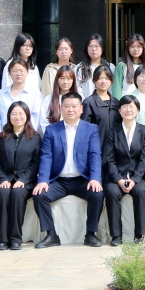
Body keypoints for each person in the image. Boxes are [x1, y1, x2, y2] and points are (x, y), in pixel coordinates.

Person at [32, 91, 104, 248]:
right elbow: (46, 157)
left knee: (97, 194)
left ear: (81, 109)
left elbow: (95, 155)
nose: (70, 109)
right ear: (61, 108)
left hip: (82, 180)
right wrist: (43, 180)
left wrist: (95, 178)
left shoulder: (91, 129)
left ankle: (90, 234)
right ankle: (51, 235)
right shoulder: (52, 130)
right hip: (59, 180)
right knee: (39, 195)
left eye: (74, 106)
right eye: (67, 106)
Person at [0, 101, 41, 251]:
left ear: (27, 116)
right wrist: (2, 179)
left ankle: (15, 238)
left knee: (18, 193)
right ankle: (3, 238)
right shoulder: (0, 137)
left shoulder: (35, 137)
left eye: (21, 113)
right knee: (3, 193)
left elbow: (35, 163)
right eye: (14, 114)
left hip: (25, 181)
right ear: (9, 116)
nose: (17, 117)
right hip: (3, 179)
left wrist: (23, 180)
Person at [103, 95, 145, 245]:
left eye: (132, 106)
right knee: (111, 192)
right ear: (119, 110)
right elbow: (109, 159)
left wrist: (135, 179)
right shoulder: (112, 132)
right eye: (124, 106)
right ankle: (116, 236)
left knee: (140, 191)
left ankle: (139, 234)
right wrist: (118, 179)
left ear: (137, 110)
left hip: (138, 177)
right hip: (117, 176)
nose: (128, 110)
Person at [0, 59, 44, 136]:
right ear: (9, 73)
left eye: (21, 71)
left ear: (27, 72)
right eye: (15, 71)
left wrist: (29, 136)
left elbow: (37, 118)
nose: (18, 74)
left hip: (27, 137)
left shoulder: (35, 94)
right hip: (4, 137)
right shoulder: (1, 94)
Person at [82, 64, 118, 145]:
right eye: (100, 78)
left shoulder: (116, 102)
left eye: (106, 78)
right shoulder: (89, 102)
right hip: (97, 147)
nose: (103, 81)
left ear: (111, 81)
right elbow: (84, 130)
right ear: (94, 81)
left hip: (115, 148)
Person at [113, 34, 145, 99]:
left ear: (143, 48)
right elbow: (116, 90)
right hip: (126, 103)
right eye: (132, 46)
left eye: (139, 46)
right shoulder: (122, 66)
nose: (135, 49)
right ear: (128, 48)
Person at [76, 34, 109, 99]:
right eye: (91, 46)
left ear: (102, 49)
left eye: (97, 46)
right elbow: (77, 88)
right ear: (87, 49)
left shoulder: (110, 67)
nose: (94, 49)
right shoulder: (79, 68)